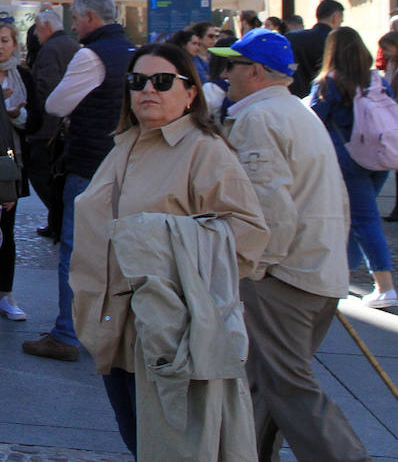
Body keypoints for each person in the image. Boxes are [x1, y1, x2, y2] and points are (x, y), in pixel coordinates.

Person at [71, 42, 268, 456]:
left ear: (190, 92)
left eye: (163, 82)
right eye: (137, 81)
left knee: (170, 449)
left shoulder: (204, 150)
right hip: (115, 327)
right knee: (141, 443)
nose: (148, 90)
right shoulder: (124, 145)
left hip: (168, 332)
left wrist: (164, 242)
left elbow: (249, 235)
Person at [209, 28, 369, 462]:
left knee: (287, 386)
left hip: (286, 277)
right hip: (316, 271)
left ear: (256, 72)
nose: (226, 74)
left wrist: (254, 267)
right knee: (263, 384)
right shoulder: (295, 112)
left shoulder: (259, 119)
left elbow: (270, 209)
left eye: (232, 66)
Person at [24, 0, 136, 363]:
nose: (74, 26)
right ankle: (114, 329)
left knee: (76, 251)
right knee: (118, 251)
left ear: (89, 18)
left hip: (90, 162)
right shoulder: (133, 52)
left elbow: (56, 103)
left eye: (76, 19)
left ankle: (67, 333)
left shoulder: (91, 55)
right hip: (127, 163)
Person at [309, 27, 396, 308]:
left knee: (362, 219)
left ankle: (385, 285)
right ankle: (342, 278)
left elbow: (312, 120)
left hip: (349, 159)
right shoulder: (375, 79)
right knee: (357, 219)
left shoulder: (329, 82)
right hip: (380, 156)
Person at [0, 20, 33, 324]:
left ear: (14, 44)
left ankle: (6, 295)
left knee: (7, 231)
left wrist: (17, 114)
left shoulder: (23, 76)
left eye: (5, 40)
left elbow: (36, 117)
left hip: (13, 161)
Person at [28, 10, 77, 239]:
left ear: (46, 26)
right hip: (63, 124)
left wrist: (35, 116)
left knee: (40, 174)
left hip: (48, 127)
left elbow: (46, 89)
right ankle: (55, 219)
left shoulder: (50, 50)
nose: (36, 34)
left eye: (37, 28)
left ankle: (57, 217)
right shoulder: (71, 45)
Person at [288, 0, 343, 97]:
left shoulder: (292, 38)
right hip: (322, 99)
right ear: (335, 18)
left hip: (293, 97)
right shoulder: (335, 41)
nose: (340, 24)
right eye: (340, 21)